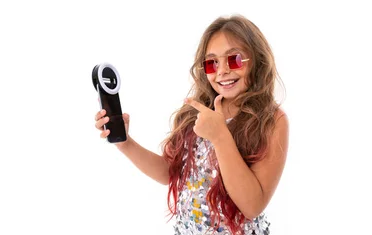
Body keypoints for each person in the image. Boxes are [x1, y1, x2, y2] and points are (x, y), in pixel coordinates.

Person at [94, 14, 289, 235]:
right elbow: (170, 172)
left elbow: (252, 206)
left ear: (257, 61)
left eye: (234, 59)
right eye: (212, 62)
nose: (222, 70)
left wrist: (220, 137)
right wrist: (126, 144)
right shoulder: (196, 113)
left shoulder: (271, 120)